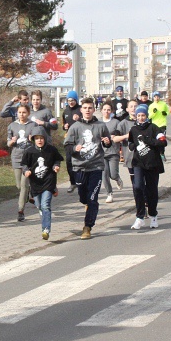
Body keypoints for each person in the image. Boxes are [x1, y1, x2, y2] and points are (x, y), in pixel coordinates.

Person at [64, 98, 112, 240]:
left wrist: (107, 143)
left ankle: (87, 226)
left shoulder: (100, 126)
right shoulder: (75, 127)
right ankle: (88, 205)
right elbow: (67, 146)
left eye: (90, 108)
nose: (87, 110)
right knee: (83, 197)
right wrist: (74, 148)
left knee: (92, 198)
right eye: (85, 108)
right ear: (81, 109)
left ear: (93, 109)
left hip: (96, 166)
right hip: (79, 167)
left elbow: (107, 142)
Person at [129, 104, 167, 229]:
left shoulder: (153, 128)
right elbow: (131, 143)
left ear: (147, 116)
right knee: (138, 187)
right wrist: (132, 146)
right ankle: (139, 217)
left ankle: (153, 215)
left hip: (152, 164)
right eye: (138, 115)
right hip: (139, 163)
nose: (140, 118)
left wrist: (149, 141)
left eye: (143, 115)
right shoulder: (134, 130)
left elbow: (163, 142)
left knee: (152, 191)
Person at [22, 126, 63, 240]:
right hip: (35, 183)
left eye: (41, 138)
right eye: (37, 138)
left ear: (45, 138)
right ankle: (42, 215)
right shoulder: (29, 151)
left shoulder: (51, 150)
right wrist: (26, 171)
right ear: (33, 139)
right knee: (39, 206)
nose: (39, 140)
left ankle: (46, 229)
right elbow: (24, 164)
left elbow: (57, 159)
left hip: (48, 182)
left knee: (45, 205)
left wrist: (56, 166)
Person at [7, 103, 37, 222]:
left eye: (24, 112)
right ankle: (29, 192)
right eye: (19, 112)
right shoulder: (12, 126)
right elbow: (8, 143)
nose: (22, 114)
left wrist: (33, 139)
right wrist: (12, 141)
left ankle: (20, 210)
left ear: (28, 113)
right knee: (19, 186)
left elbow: (39, 140)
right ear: (17, 113)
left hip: (28, 159)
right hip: (16, 157)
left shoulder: (32, 125)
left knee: (24, 186)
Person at [100, 102, 124, 203]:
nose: (106, 111)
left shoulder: (116, 122)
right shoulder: (98, 123)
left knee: (113, 174)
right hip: (101, 153)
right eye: (104, 109)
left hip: (113, 152)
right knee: (104, 175)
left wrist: (115, 137)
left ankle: (117, 179)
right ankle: (109, 193)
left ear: (112, 111)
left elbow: (120, 135)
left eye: (108, 109)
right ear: (101, 111)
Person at [62, 90, 82, 192]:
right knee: (69, 162)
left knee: (79, 161)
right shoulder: (65, 111)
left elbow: (86, 122)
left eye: (73, 100)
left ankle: (81, 182)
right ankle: (72, 183)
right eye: (69, 100)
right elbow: (63, 124)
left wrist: (79, 119)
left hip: (79, 140)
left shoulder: (80, 109)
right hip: (68, 140)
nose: (71, 102)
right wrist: (64, 126)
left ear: (76, 100)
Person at [148, 91, 169, 161]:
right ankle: (156, 154)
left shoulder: (163, 104)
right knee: (156, 140)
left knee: (162, 140)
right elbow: (149, 116)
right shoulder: (151, 106)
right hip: (154, 125)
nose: (156, 98)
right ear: (153, 97)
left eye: (157, 96)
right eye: (155, 97)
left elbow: (168, 112)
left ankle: (162, 153)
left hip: (162, 124)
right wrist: (154, 112)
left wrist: (165, 113)